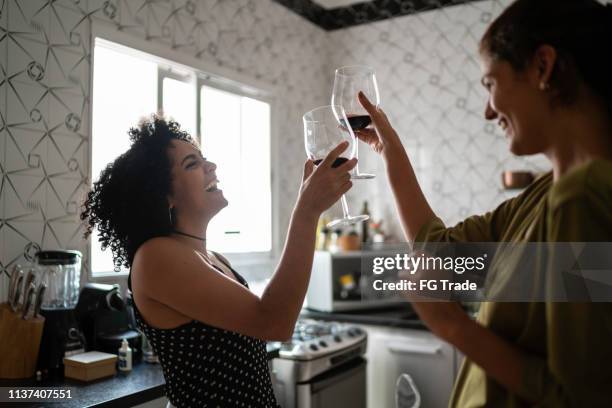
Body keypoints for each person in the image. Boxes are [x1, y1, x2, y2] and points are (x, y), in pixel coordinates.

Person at [355, 0, 612, 406]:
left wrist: (451, 325)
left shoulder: (584, 199)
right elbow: (439, 248)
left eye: (491, 84)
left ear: (542, 67)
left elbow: (580, 398)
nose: (488, 111)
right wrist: (391, 152)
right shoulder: (545, 196)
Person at [80, 115, 356, 408]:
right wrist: (307, 211)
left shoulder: (213, 258)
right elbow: (275, 322)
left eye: (204, 159)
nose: (211, 166)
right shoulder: (155, 257)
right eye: (192, 164)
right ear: (164, 195)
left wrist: (307, 205)